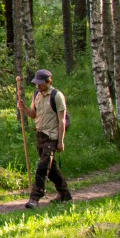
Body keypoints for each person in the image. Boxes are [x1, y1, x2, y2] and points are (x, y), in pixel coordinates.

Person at [26, 68, 73, 206]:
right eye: (36, 83)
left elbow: (62, 120)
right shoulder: (36, 94)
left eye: (40, 83)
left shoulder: (57, 96)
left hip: (52, 136)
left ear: (48, 81)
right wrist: (23, 108)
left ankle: (35, 197)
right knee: (51, 168)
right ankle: (65, 194)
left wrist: (61, 141)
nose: (38, 86)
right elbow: (33, 114)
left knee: (42, 166)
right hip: (40, 134)